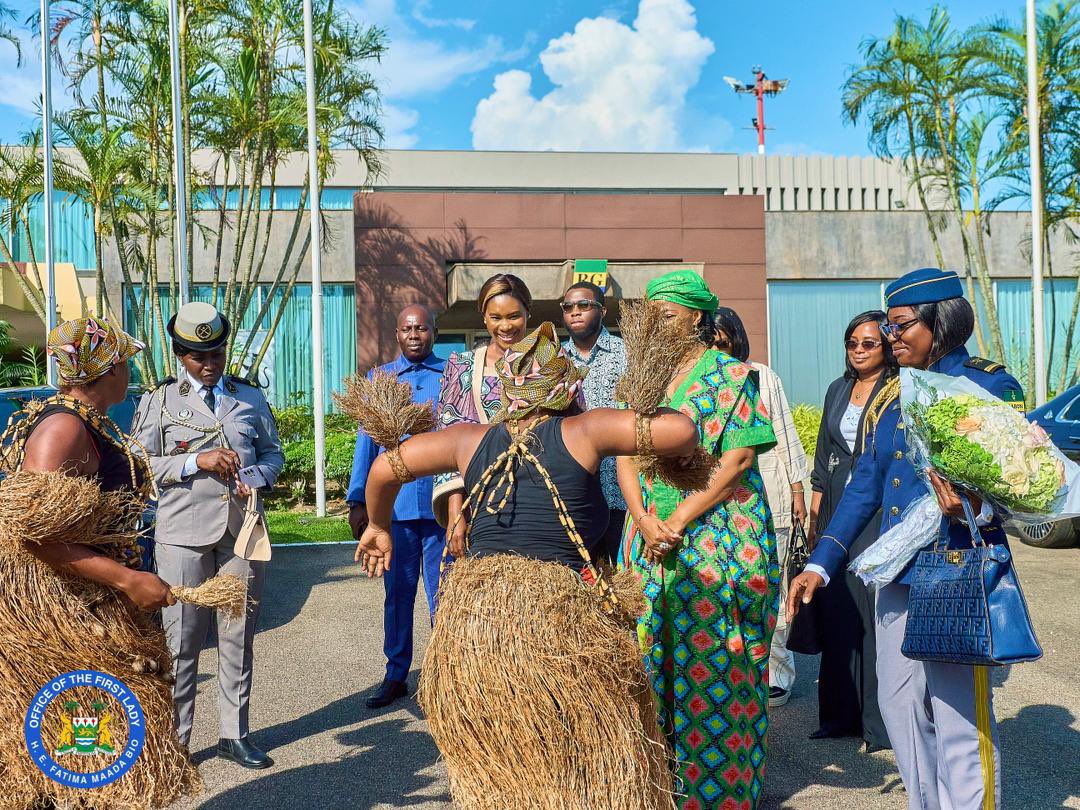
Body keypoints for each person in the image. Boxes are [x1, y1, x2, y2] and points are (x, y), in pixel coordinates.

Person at [789, 268, 1024, 810]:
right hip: (896, 572)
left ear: (940, 323)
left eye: (899, 327)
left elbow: (1016, 481)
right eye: (889, 328)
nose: (891, 338)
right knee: (899, 707)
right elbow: (865, 485)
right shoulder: (890, 395)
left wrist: (973, 505)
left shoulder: (989, 385)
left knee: (957, 712)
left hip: (957, 569)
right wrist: (822, 563)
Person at [0, 317, 199, 807]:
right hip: (72, 614)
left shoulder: (82, 418)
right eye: (124, 361)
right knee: (90, 742)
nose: (130, 369)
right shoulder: (62, 429)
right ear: (104, 369)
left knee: (97, 746)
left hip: (96, 605)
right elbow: (34, 536)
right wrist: (127, 578)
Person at [618, 270, 779, 810]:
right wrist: (642, 518)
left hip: (717, 537)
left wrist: (679, 518)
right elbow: (622, 451)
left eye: (668, 314)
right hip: (648, 539)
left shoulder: (731, 375)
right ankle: (652, 791)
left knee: (717, 664)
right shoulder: (641, 376)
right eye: (652, 313)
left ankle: (716, 796)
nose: (657, 323)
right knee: (644, 657)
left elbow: (737, 460)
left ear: (696, 318)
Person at [132, 301, 284, 770]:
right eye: (200, 356)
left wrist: (256, 476)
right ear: (180, 354)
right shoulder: (159, 402)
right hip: (182, 535)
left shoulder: (250, 398)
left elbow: (274, 455)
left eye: (217, 353)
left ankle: (233, 734)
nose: (210, 364)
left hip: (240, 532)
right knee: (182, 641)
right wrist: (193, 461)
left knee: (239, 635)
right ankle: (176, 743)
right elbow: (139, 465)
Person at [346, 305, 446, 709]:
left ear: (433, 332)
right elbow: (365, 443)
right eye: (407, 328)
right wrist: (359, 502)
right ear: (397, 333)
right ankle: (396, 674)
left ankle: (446, 676)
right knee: (398, 594)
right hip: (397, 510)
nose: (415, 334)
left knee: (444, 596)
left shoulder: (452, 375)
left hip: (442, 506)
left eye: (422, 328)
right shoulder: (380, 379)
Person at [806, 311, 895, 751]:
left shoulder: (897, 391)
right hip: (836, 504)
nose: (858, 350)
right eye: (852, 343)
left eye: (868, 344)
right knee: (838, 607)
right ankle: (840, 716)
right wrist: (815, 513)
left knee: (873, 611)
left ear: (886, 347)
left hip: (877, 507)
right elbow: (824, 456)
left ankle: (879, 725)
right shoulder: (837, 389)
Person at [713, 305, 809, 710]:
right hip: (720, 505)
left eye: (725, 339)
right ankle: (738, 671)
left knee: (774, 590)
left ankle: (778, 674)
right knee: (733, 591)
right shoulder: (703, 382)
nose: (719, 346)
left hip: (771, 496)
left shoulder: (761, 376)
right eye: (712, 340)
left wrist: (798, 490)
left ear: (737, 337)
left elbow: (785, 433)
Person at [432, 273, 531, 547]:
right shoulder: (462, 366)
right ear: (484, 318)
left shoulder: (552, 364)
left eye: (514, 316)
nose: (506, 326)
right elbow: (448, 442)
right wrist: (455, 513)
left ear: (528, 314)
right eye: (496, 317)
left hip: (540, 499)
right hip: (480, 503)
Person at [561, 280, 628, 564]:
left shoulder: (627, 353)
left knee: (622, 576)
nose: (575, 312)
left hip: (620, 488)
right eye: (568, 307)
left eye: (584, 305)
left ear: (601, 310)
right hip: (573, 490)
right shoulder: (554, 358)